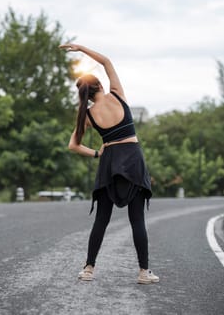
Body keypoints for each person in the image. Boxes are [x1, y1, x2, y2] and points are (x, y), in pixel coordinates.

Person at [58, 43, 159, 284]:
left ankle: (88, 269)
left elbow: (73, 145)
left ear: (84, 95)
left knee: (101, 220)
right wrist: (80, 48)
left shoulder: (88, 114)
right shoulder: (117, 94)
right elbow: (106, 61)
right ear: (100, 86)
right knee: (137, 220)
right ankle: (144, 272)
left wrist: (96, 153)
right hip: (133, 159)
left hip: (109, 162)